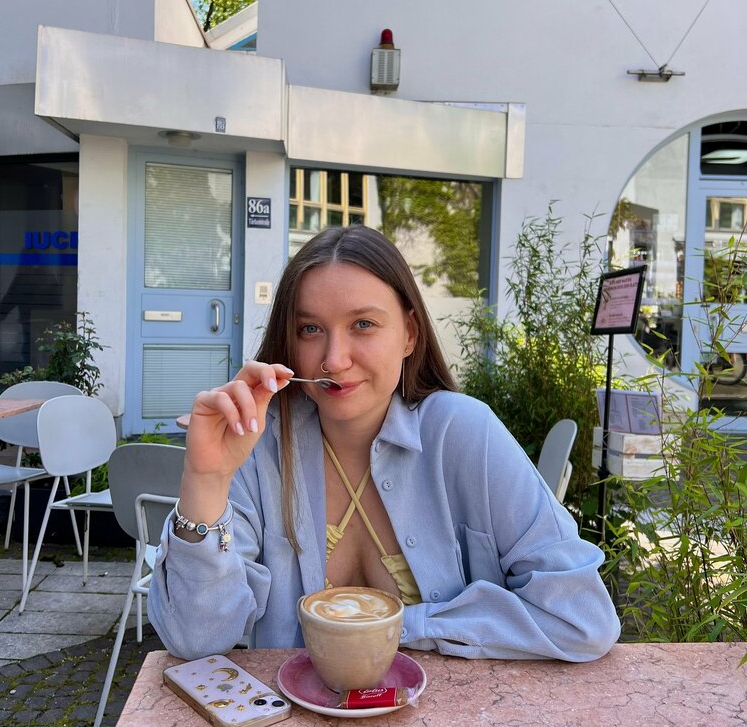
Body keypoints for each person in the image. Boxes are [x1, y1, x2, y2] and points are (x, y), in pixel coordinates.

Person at [149, 226, 620, 662]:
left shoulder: (463, 433)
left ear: (409, 334)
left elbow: (582, 617)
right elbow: (197, 639)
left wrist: (400, 627)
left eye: (363, 325)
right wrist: (206, 480)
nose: (334, 359)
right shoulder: (260, 445)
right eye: (311, 329)